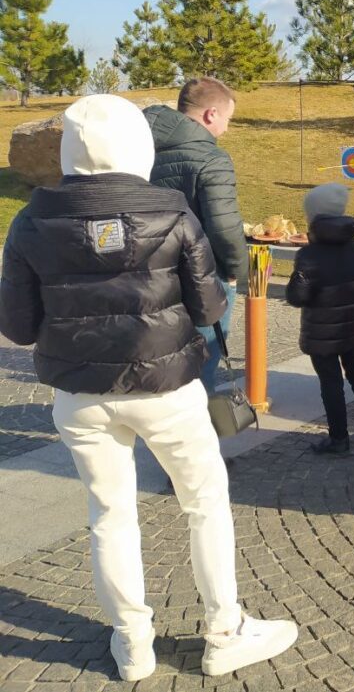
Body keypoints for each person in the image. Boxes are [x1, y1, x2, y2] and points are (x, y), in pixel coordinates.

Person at [0, 95, 297, 682]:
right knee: (205, 500)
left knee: (109, 514)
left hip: (80, 393)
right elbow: (210, 303)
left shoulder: (32, 219)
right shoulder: (172, 211)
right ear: (137, 144)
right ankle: (224, 629)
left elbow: (16, 325)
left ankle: (132, 642)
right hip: (168, 386)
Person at [145, 78, 247, 394]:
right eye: (227, 120)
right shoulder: (211, 159)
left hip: (148, 272)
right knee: (204, 354)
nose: (227, 129)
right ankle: (194, 425)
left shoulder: (140, 149)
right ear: (210, 114)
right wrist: (237, 271)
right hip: (202, 274)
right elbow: (224, 227)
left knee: (158, 353)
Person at [287, 183, 354, 455]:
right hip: (351, 329)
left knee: (330, 384)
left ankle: (339, 438)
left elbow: (297, 297)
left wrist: (299, 277)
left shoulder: (309, 256)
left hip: (321, 335)